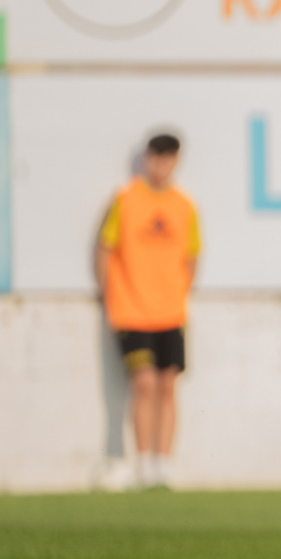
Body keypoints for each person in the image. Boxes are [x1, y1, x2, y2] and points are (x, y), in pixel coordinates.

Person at [96, 133, 201, 490]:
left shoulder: (184, 206)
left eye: (169, 158)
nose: (162, 165)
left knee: (168, 385)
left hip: (170, 312)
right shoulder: (125, 200)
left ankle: (163, 465)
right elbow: (105, 249)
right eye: (156, 157)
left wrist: (178, 292)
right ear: (147, 159)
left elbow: (192, 256)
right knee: (144, 384)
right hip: (132, 310)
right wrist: (110, 296)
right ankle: (142, 462)